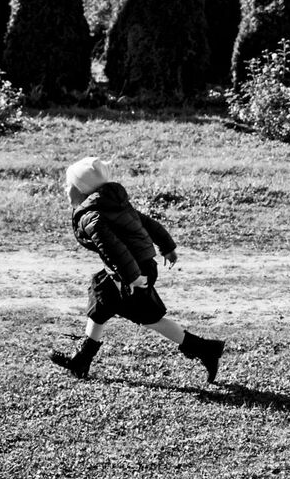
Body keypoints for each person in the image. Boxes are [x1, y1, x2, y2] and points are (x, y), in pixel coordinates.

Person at [50, 156, 224, 383]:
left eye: (69, 184)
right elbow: (146, 222)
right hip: (130, 269)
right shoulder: (111, 203)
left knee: (150, 318)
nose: (65, 188)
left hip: (132, 272)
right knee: (100, 297)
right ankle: (83, 358)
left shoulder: (92, 215)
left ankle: (204, 349)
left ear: (82, 189)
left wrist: (131, 278)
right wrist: (167, 246)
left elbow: (114, 249)